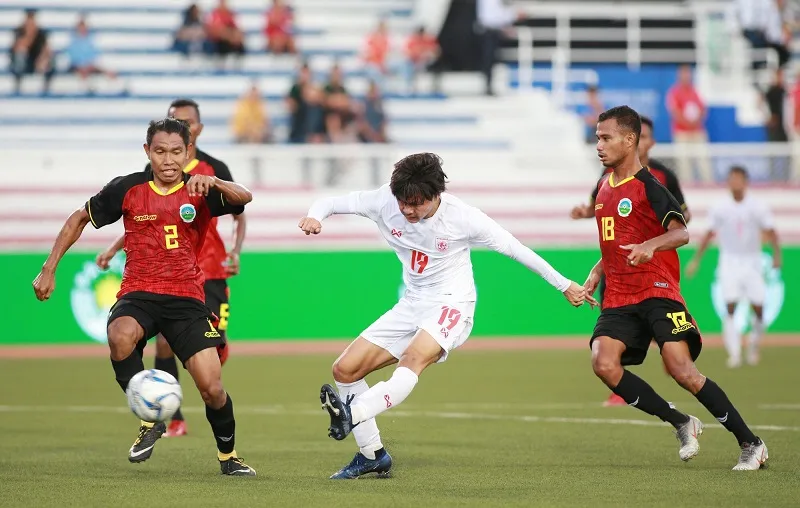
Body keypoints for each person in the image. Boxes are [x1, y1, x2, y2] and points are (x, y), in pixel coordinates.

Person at [297, 152, 590, 479]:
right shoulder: (384, 201)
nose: (407, 209)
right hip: (412, 303)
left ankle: (354, 413)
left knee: (413, 359)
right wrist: (314, 216)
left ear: (436, 194)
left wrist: (563, 284)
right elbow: (332, 201)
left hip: (453, 303)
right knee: (345, 370)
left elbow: (514, 248)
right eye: (402, 201)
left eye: (416, 202)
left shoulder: (463, 217)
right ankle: (372, 455)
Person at [32, 118, 255, 475]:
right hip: (139, 292)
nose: (168, 160)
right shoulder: (128, 188)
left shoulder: (200, 189)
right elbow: (79, 218)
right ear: (147, 151)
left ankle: (229, 457)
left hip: (186, 299)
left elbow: (245, 196)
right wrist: (49, 267)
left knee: (212, 387)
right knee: (120, 334)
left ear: (188, 152)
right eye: (160, 151)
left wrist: (215, 182)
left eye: (176, 152)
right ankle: (149, 418)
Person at [585, 105, 768, 471]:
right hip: (620, 296)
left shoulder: (650, 186)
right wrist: (596, 271)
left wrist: (651, 245)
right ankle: (682, 422)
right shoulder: (605, 186)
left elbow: (681, 231)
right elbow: (616, 241)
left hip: (656, 290)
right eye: (597, 139)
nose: (599, 146)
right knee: (603, 363)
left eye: (606, 138)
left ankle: (751, 443)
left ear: (629, 139)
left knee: (681, 369)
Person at [96, 99, 248, 438]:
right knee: (163, 343)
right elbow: (148, 223)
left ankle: (198, 403)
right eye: (174, 120)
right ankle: (169, 414)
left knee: (212, 362)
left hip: (210, 272)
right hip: (167, 281)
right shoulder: (145, 181)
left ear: (196, 133)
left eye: (186, 122)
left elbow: (241, 208)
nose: (180, 125)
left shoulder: (212, 169)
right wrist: (113, 247)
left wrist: (235, 251)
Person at [572, 115, 693, 407]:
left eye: (649, 136)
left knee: (669, 347)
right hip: (618, 270)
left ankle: (677, 362)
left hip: (653, 270)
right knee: (613, 337)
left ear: (639, 140)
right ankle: (619, 388)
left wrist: (653, 237)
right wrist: (584, 213)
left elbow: (682, 218)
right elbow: (599, 207)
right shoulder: (608, 177)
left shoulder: (661, 179)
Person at [686, 166, 781, 368]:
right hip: (729, 262)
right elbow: (709, 233)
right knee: (730, 307)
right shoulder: (720, 207)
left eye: (738, 179)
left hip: (752, 261)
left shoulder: (757, 206)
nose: (735, 183)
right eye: (731, 179)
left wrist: (776, 255)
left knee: (759, 308)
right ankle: (734, 353)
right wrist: (696, 260)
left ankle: (754, 346)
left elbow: (771, 231)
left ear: (745, 182)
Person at [9, 9, 55, 95]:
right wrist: (29, 35)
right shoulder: (19, 32)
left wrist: (42, 59)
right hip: (24, 63)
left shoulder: (41, 33)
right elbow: (17, 48)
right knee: (20, 53)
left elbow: (47, 49)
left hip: (37, 62)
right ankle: (18, 81)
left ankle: (46, 86)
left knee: (49, 58)